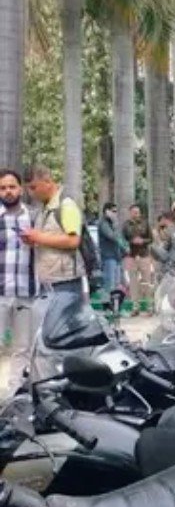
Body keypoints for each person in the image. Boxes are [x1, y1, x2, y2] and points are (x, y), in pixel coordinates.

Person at [22, 165, 86, 306]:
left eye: (33, 187)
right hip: (48, 281)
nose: (31, 193)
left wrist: (39, 237)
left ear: (48, 182)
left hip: (65, 282)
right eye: (28, 189)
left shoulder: (66, 205)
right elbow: (49, 238)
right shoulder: (44, 209)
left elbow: (73, 240)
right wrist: (33, 240)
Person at [0, 169, 36, 396]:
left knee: (23, 347)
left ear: (20, 189)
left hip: (26, 292)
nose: (8, 191)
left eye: (12, 187)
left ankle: (14, 396)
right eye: (3, 188)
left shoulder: (34, 216)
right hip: (1, 292)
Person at [123, 204, 156, 315]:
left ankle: (149, 307)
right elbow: (122, 239)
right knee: (133, 283)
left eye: (137, 212)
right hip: (131, 256)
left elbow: (151, 239)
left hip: (144, 255)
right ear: (130, 213)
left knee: (147, 281)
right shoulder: (126, 225)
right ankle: (135, 307)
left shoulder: (145, 223)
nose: (136, 214)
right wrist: (131, 242)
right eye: (133, 212)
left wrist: (142, 241)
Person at [97, 202, 126, 293]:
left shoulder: (112, 223)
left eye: (116, 211)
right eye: (113, 211)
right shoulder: (103, 223)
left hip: (116, 256)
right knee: (110, 285)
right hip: (108, 257)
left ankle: (115, 301)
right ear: (107, 211)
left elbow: (120, 238)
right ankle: (108, 301)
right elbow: (113, 236)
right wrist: (115, 223)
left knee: (117, 285)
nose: (115, 214)